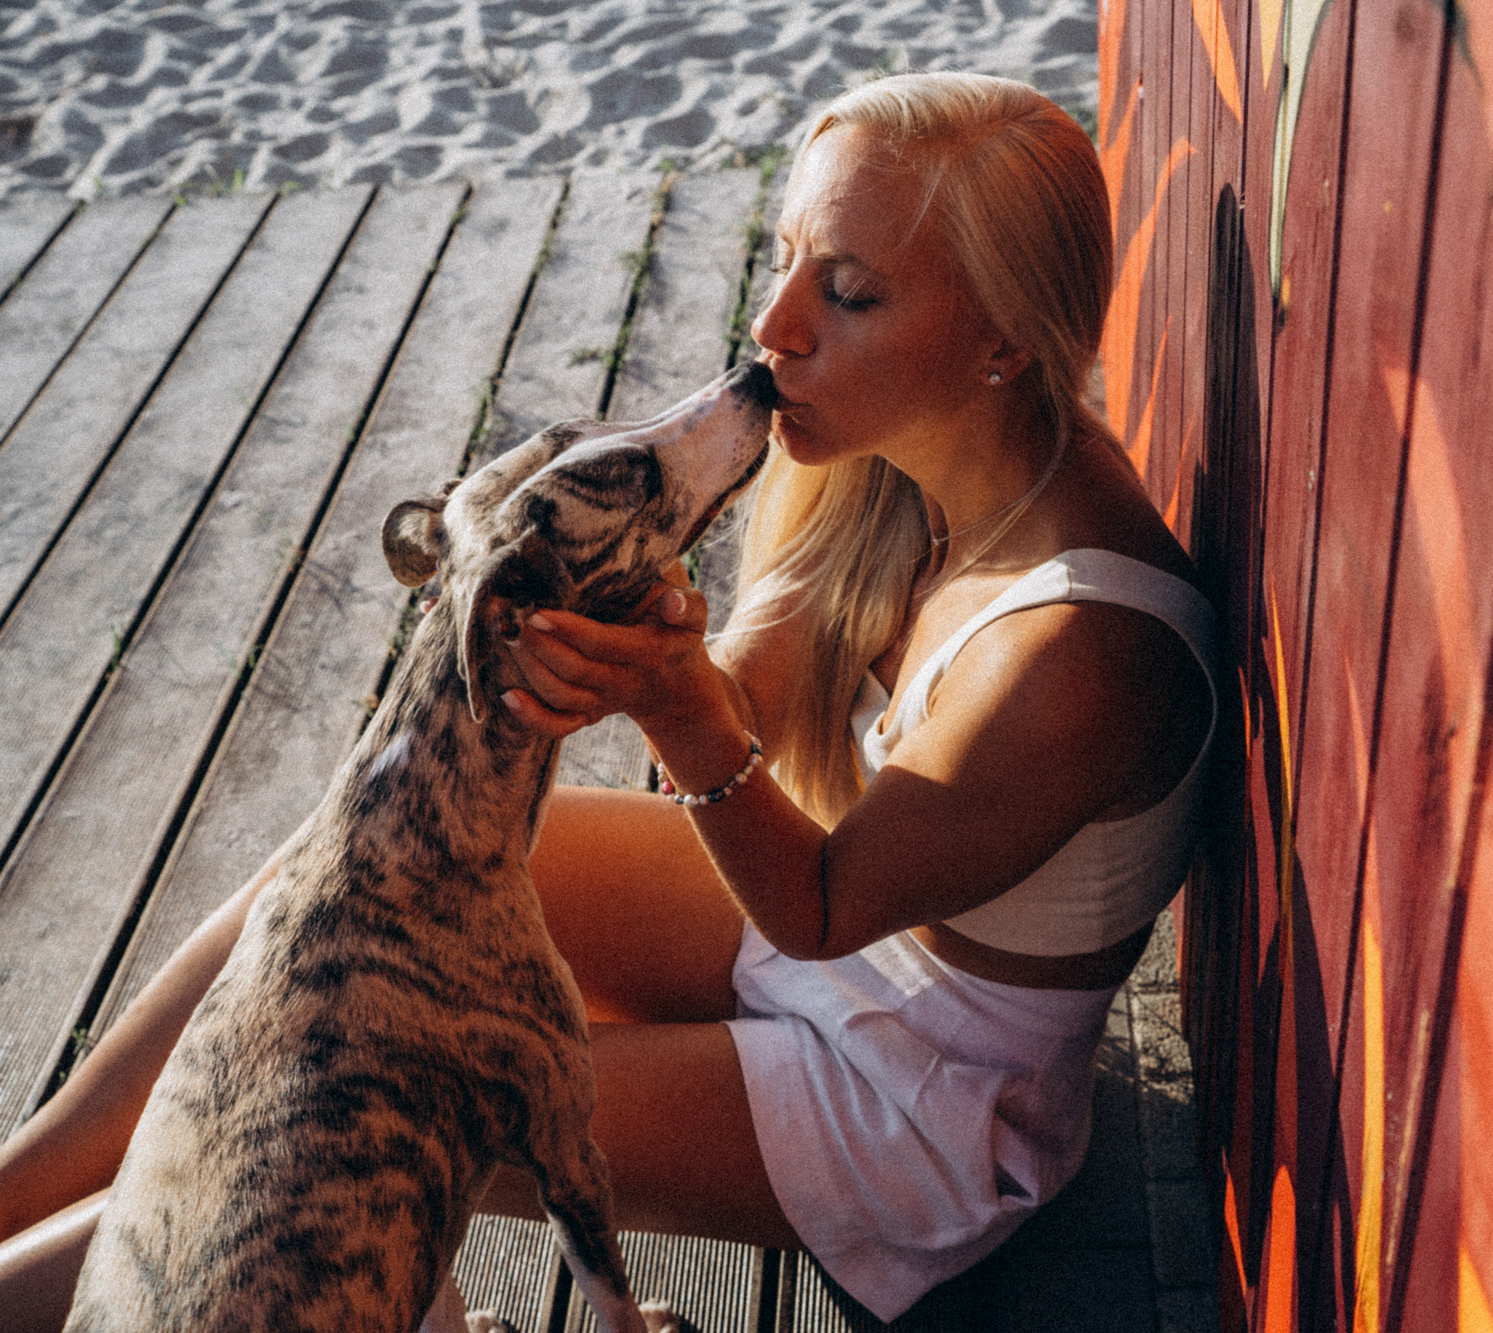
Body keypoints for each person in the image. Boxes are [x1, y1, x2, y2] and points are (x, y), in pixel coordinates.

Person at [0, 71, 1219, 1327]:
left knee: (380, 1085)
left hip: (916, 1094)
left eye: (848, 294)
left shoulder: (1077, 648)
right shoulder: (916, 456)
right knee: (343, 893)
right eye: (790, 259)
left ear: (1003, 341)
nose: (775, 323)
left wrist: (676, 709)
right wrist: (597, 651)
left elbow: (818, 901)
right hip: (837, 943)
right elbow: (750, 699)